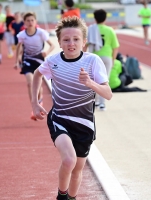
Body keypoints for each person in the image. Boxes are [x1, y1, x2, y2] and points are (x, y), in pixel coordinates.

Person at [31, 16, 112, 200]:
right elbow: (37, 74)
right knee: (69, 160)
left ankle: (72, 198)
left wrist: (90, 83)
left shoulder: (93, 61)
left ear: (84, 42)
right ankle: (61, 195)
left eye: (76, 39)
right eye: (66, 40)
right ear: (59, 42)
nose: (71, 43)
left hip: (84, 125)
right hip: (60, 118)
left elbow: (107, 94)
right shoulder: (53, 62)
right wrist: (35, 103)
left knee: (77, 170)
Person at [14, 12, 55, 120]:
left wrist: (47, 52)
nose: (30, 22)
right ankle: (34, 106)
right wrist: (16, 60)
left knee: (38, 86)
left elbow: (52, 45)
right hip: (27, 60)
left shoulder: (41, 33)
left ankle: (39, 102)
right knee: (29, 83)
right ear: (24, 22)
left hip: (39, 61)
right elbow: (18, 47)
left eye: (32, 20)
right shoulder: (22, 35)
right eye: (28, 20)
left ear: (35, 21)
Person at [85, 9, 119, 111]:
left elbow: (85, 45)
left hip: (94, 57)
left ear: (94, 18)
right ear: (105, 18)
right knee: (105, 81)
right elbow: (115, 47)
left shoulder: (90, 29)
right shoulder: (110, 30)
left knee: (93, 80)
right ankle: (102, 104)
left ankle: (94, 102)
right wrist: (113, 59)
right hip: (107, 57)